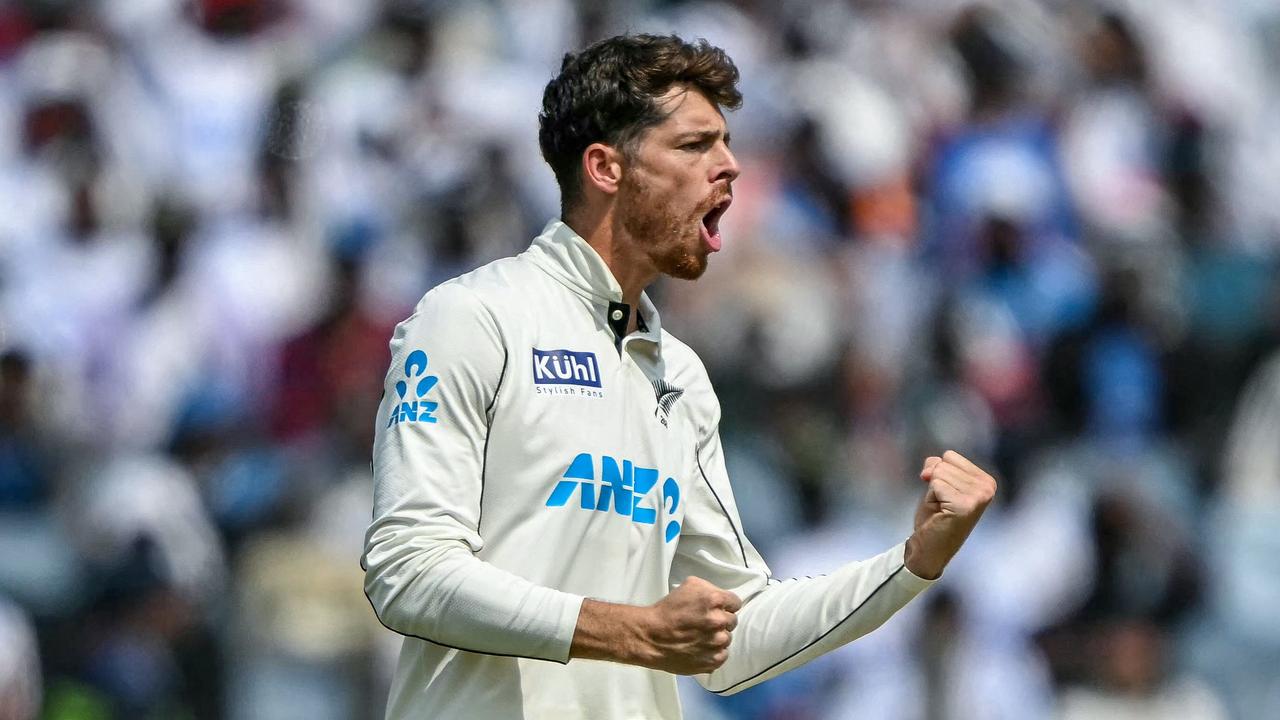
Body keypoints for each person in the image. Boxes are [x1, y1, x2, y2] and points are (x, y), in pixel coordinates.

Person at [361, 33, 997, 720]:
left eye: (726, 144)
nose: (729, 168)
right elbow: (409, 572)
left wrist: (912, 563)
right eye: (695, 147)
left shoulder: (680, 374)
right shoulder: (473, 318)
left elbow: (734, 639)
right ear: (606, 168)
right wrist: (632, 631)